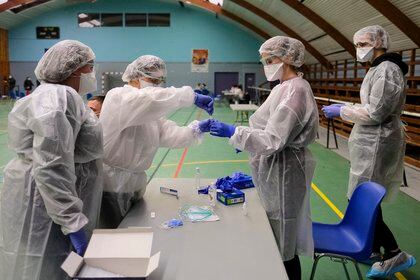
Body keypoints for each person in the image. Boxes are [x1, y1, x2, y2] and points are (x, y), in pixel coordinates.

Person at [202, 36, 318, 280]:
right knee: (273, 233)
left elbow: (273, 139)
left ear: (287, 59)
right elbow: (261, 126)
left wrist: (235, 133)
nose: (266, 64)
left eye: (270, 59)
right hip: (274, 169)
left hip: (284, 171)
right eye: (264, 60)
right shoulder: (281, 88)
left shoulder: (296, 90)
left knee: (284, 242)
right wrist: (243, 140)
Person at [0, 40, 103, 280]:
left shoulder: (58, 96)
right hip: (44, 202)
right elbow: (51, 164)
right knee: (39, 268)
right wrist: (72, 221)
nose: (92, 72)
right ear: (75, 69)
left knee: (35, 265)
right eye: (91, 66)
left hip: (46, 198)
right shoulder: (58, 97)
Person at [322, 25, 416, 278]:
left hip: (378, 141)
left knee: (362, 200)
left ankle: (395, 254)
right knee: (363, 196)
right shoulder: (378, 68)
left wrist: (341, 110)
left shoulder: (387, 69)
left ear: (378, 43)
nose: (359, 49)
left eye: (363, 44)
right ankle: (373, 249)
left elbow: (376, 112)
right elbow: (372, 105)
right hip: (370, 140)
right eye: (358, 44)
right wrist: (348, 107)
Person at [99, 55, 214, 228]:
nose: (156, 84)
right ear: (135, 76)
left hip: (135, 184)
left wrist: (196, 128)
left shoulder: (148, 112)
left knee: (133, 235)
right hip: (111, 185)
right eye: (152, 79)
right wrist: (192, 97)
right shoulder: (119, 97)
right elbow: (150, 99)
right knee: (111, 239)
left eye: (159, 80)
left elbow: (168, 134)